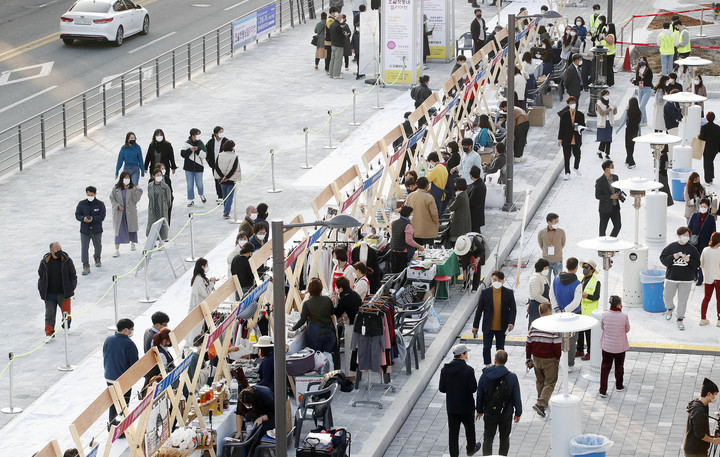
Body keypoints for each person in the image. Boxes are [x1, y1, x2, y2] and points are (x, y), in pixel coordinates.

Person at [475, 350, 522, 456]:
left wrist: (479, 410)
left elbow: (480, 394)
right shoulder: (512, 377)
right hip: (506, 413)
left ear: (494, 360)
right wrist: (518, 413)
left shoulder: (485, 375)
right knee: (504, 439)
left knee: (488, 438)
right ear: (506, 361)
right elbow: (516, 397)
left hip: (489, 413)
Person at [439, 344, 481, 457]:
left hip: (452, 407)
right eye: (466, 353)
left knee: (453, 433)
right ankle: (470, 449)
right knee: (470, 429)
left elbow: (442, 389)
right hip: (466, 406)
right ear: (462, 355)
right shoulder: (468, 370)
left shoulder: (445, 370)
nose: (467, 355)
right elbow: (473, 388)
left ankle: (454, 454)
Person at [471, 270, 517, 367]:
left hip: (502, 326)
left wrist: (511, 322)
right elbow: (479, 310)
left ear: (503, 281)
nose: (497, 282)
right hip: (488, 326)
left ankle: (500, 365)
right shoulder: (485, 293)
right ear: (491, 280)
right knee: (486, 347)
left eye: (499, 280)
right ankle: (487, 365)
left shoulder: (508, 293)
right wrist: (475, 326)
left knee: (500, 348)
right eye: (495, 279)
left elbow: (513, 309)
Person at [661, 227, 701, 331]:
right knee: (667, 296)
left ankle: (680, 318)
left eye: (688, 236)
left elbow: (697, 264)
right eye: (684, 236)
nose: (686, 238)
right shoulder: (671, 247)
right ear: (678, 235)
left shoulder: (692, 249)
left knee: (683, 300)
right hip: (671, 277)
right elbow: (663, 259)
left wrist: (689, 260)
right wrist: (672, 257)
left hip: (686, 279)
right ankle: (670, 308)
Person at [525, 303, 561, 417]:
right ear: (550, 310)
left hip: (536, 359)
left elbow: (528, 343)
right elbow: (556, 345)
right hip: (550, 359)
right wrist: (557, 357)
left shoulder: (534, 325)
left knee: (540, 381)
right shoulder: (554, 327)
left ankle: (541, 401)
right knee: (550, 383)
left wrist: (528, 359)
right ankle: (540, 404)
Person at [103, 318, 139, 426]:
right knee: (123, 403)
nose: (132, 332)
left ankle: (112, 425)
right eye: (131, 329)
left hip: (109, 375)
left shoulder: (108, 339)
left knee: (113, 402)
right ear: (125, 330)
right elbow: (135, 363)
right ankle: (121, 428)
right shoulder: (128, 343)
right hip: (123, 378)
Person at [550, 257, 582, 372]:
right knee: (572, 339)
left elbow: (552, 295)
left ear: (566, 266)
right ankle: (569, 364)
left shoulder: (556, 279)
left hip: (558, 314)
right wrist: (565, 310)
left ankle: (556, 361)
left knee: (557, 338)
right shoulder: (578, 284)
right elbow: (576, 302)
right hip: (573, 315)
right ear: (576, 268)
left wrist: (557, 309)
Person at [38, 242, 77, 337]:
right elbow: (41, 276)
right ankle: (49, 334)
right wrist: (41, 289)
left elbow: (73, 275)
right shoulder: (45, 262)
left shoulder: (67, 260)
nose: (59, 250)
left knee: (66, 313)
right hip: (49, 294)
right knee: (49, 315)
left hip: (64, 293)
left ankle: (67, 327)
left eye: (60, 248)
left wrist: (71, 287)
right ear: (51, 251)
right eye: (56, 248)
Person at [597, 295, 630, 397]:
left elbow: (602, 327)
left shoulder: (604, 315)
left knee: (605, 368)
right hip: (620, 347)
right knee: (619, 367)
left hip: (607, 347)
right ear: (619, 304)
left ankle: (602, 390)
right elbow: (627, 329)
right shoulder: (624, 316)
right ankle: (619, 386)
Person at [292, 278, 337, 352]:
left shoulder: (307, 303)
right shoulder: (328, 300)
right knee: (328, 356)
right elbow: (332, 313)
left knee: (316, 357)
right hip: (329, 331)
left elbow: (303, 320)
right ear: (321, 288)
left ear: (309, 290)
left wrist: (293, 328)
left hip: (315, 334)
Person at [109, 171, 143, 257]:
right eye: (125, 178)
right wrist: (117, 206)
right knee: (119, 231)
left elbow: (136, 199)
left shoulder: (132, 189)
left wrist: (139, 189)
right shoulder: (116, 189)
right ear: (122, 179)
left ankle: (132, 243)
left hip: (130, 212)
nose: (127, 179)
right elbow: (112, 199)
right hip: (120, 213)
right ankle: (117, 250)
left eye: (128, 178)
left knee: (131, 228)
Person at [233, 386, 275, 455]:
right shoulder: (242, 396)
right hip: (256, 413)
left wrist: (261, 418)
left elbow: (273, 412)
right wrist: (239, 432)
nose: (246, 406)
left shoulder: (265, 395)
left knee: (259, 435)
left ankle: (258, 453)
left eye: (248, 405)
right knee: (248, 434)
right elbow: (239, 414)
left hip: (269, 415)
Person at [333, 275, 362, 375]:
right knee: (354, 349)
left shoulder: (344, 298)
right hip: (358, 324)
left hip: (351, 325)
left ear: (340, 288)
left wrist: (335, 300)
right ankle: (355, 373)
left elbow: (337, 312)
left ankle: (350, 375)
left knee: (349, 350)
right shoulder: (354, 294)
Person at [684, 378, 720, 456]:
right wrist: (714, 440)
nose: (716, 397)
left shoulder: (702, 405)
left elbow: (700, 429)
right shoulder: (699, 410)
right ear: (709, 394)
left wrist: (713, 436)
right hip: (695, 452)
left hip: (698, 450)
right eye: (715, 394)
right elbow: (700, 434)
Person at [75, 186, 106, 275]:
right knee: (84, 248)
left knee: (98, 246)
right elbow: (77, 215)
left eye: (91, 195)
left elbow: (102, 216)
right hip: (85, 230)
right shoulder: (82, 204)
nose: (90, 196)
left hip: (96, 230)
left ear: (95, 194)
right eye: (88, 195)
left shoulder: (100, 204)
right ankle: (85, 265)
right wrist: (83, 218)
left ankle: (97, 257)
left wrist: (92, 218)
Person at [577, 259, 600, 361]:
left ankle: (590, 352)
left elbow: (596, 296)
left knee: (589, 334)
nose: (584, 269)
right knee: (580, 332)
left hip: (589, 311)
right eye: (584, 267)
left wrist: (587, 296)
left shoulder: (596, 282)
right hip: (580, 309)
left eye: (587, 267)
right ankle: (580, 350)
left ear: (592, 270)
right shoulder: (580, 278)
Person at [389, 206, 424, 272]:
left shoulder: (394, 223)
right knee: (403, 271)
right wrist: (419, 246)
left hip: (394, 251)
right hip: (403, 253)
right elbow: (409, 240)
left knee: (395, 271)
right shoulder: (408, 225)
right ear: (409, 214)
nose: (412, 214)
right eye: (412, 213)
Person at [689, 198, 716, 285]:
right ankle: (695, 274)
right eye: (701, 206)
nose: (702, 208)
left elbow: (713, 231)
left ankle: (700, 278)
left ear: (708, 207)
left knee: (702, 260)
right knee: (694, 258)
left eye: (704, 206)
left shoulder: (711, 218)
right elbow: (689, 227)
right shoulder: (695, 215)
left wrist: (712, 243)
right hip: (694, 241)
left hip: (705, 242)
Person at [557, 96, 586, 179]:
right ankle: (567, 172)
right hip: (566, 138)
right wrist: (560, 139)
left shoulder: (580, 114)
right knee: (567, 156)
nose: (573, 105)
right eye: (571, 103)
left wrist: (580, 128)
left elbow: (583, 125)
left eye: (574, 103)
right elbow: (561, 127)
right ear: (568, 105)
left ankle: (576, 167)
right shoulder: (564, 115)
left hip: (576, 138)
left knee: (577, 155)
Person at [406, 177, 439, 246]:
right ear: (427, 186)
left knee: (416, 254)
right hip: (427, 232)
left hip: (414, 230)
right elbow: (434, 214)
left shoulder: (410, 196)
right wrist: (436, 225)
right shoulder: (429, 197)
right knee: (427, 252)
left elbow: (405, 212)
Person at [213, 140, 242, 219]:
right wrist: (227, 177)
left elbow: (217, 167)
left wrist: (223, 177)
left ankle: (226, 209)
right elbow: (234, 168)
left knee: (225, 195)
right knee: (229, 196)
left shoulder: (220, 155)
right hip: (230, 179)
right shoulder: (234, 156)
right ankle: (226, 211)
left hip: (221, 178)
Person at [180, 128, 207, 207]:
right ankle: (190, 199)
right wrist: (190, 150)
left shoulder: (201, 144)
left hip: (199, 167)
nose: (198, 136)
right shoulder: (186, 144)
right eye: (197, 134)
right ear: (192, 135)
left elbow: (204, 155)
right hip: (189, 167)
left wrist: (198, 150)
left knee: (199, 184)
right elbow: (183, 154)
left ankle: (201, 194)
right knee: (190, 184)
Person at [595, 160, 622, 237]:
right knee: (603, 230)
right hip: (605, 208)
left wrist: (619, 195)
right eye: (612, 167)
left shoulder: (615, 177)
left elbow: (618, 189)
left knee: (618, 226)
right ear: (607, 169)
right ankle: (602, 247)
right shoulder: (600, 181)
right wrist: (610, 197)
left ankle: (611, 242)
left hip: (615, 207)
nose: (613, 168)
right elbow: (598, 195)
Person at [538, 213, 566, 283]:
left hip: (558, 260)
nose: (557, 223)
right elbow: (541, 244)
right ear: (549, 222)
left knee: (559, 281)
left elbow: (563, 243)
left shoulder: (561, 232)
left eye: (557, 221)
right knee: (546, 281)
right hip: (546, 261)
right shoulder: (541, 233)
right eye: (555, 222)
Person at [614, 96, 641, 168]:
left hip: (629, 130)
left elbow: (623, 122)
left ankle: (631, 162)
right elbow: (639, 124)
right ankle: (627, 160)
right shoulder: (639, 112)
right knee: (632, 146)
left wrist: (618, 129)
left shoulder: (628, 112)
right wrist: (640, 133)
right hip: (635, 130)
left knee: (627, 146)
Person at [700, 232, 720, 326]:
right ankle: (719, 320)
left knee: (706, 298)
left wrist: (705, 274)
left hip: (708, 278)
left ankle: (703, 318)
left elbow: (701, 264)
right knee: (719, 299)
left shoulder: (705, 250)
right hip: (718, 278)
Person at [146, 167, 172, 241]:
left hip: (162, 208)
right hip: (153, 208)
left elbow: (168, 199)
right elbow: (149, 196)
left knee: (162, 225)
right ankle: (153, 241)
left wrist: (165, 207)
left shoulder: (165, 187)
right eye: (157, 175)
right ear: (153, 176)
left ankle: (161, 241)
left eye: (160, 175)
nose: (159, 177)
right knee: (153, 224)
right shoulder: (150, 186)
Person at [205, 127, 228, 204]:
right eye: (220, 132)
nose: (222, 133)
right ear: (215, 133)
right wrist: (210, 162)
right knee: (217, 180)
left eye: (222, 131)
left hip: (224, 165)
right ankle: (220, 195)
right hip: (215, 165)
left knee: (223, 179)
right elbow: (206, 152)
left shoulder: (226, 141)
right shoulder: (211, 142)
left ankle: (224, 195)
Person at [527, 259, 550, 328]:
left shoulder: (543, 277)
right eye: (546, 268)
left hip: (544, 306)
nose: (547, 269)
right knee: (536, 327)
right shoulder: (535, 278)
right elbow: (535, 295)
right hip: (536, 306)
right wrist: (547, 301)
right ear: (542, 268)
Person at [699, 112, 720, 184]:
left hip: (706, 147)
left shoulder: (704, 127)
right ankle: (711, 177)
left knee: (706, 163)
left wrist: (699, 136)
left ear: (706, 118)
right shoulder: (717, 127)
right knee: (711, 162)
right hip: (714, 148)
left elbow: (701, 138)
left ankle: (708, 179)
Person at [595, 89, 617, 159]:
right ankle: (600, 151)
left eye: (608, 94)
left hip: (609, 122)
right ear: (602, 95)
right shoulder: (598, 104)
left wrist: (615, 108)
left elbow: (614, 113)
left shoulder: (610, 103)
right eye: (606, 94)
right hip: (602, 123)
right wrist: (610, 109)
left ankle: (607, 153)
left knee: (609, 139)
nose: (607, 96)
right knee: (603, 139)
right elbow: (602, 113)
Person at [632, 56, 653, 125]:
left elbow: (649, 81)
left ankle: (640, 121)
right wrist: (634, 81)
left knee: (642, 106)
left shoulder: (648, 70)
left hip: (647, 89)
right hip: (640, 89)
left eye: (643, 61)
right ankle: (644, 121)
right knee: (642, 106)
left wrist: (642, 77)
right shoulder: (638, 69)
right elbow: (638, 81)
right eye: (640, 61)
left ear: (646, 62)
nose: (641, 62)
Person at [449, 178, 471, 244]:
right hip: (464, 221)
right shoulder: (465, 194)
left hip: (460, 223)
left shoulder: (460, 197)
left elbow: (452, 207)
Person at [467, 166, 486, 233]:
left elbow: (471, 201)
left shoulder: (477, 187)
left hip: (475, 215)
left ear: (471, 175)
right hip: (478, 214)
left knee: (475, 234)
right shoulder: (480, 184)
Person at [329, 8, 344, 78]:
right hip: (339, 45)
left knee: (332, 59)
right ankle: (336, 74)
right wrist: (345, 35)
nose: (341, 19)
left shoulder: (332, 24)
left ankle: (331, 73)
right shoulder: (338, 26)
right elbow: (341, 36)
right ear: (338, 18)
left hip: (333, 44)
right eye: (341, 18)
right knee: (338, 59)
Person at [324, 8, 338, 73]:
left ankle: (330, 68)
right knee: (329, 55)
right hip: (329, 41)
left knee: (331, 55)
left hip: (331, 40)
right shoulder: (330, 20)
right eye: (336, 12)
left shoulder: (333, 19)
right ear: (332, 12)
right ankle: (327, 68)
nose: (336, 13)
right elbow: (332, 29)